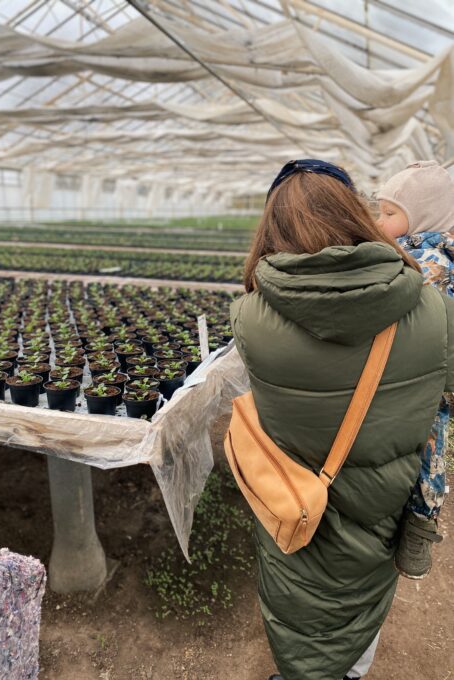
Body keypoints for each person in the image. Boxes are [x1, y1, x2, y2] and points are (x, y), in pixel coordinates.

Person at [230, 159, 454, 680]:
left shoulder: (252, 318)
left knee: (296, 598)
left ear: (270, 229)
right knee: (362, 594)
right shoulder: (433, 309)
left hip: (295, 500)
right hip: (383, 506)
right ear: (357, 214)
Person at [377, 160, 454, 580]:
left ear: (422, 216)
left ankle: (417, 528)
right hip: (434, 377)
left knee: (419, 443)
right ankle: (420, 526)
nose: (379, 221)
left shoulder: (419, 262)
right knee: (430, 441)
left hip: (417, 376)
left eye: (389, 213)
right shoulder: (435, 251)